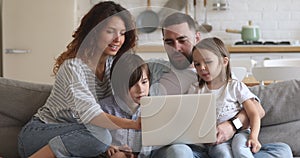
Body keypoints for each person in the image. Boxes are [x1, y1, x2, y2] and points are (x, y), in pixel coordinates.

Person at [147, 12, 292, 158]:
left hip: (220, 144)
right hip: (181, 148)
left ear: (197, 38)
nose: (176, 48)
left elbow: (258, 110)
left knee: (282, 150)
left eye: (182, 40)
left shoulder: (218, 74)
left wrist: (231, 126)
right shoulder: (154, 70)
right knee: (179, 152)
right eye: (169, 42)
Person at [17, 1, 139, 157]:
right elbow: (92, 115)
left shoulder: (112, 67)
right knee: (100, 137)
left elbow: (142, 76)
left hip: (82, 137)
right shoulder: (73, 68)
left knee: (115, 150)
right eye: (110, 31)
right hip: (39, 134)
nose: (118, 39)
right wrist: (134, 125)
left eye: (122, 33)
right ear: (93, 32)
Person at [189, 37, 262, 157]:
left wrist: (254, 137)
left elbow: (254, 113)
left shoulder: (235, 86)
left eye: (207, 62)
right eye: (197, 64)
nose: (201, 67)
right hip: (216, 140)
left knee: (241, 149)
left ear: (224, 62)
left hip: (239, 133)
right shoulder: (195, 89)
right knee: (222, 154)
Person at [100, 53, 151, 158]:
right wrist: (108, 147)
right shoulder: (105, 109)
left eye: (144, 82)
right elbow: (95, 139)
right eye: (132, 84)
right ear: (118, 85)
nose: (141, 90)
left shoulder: (153, 108)